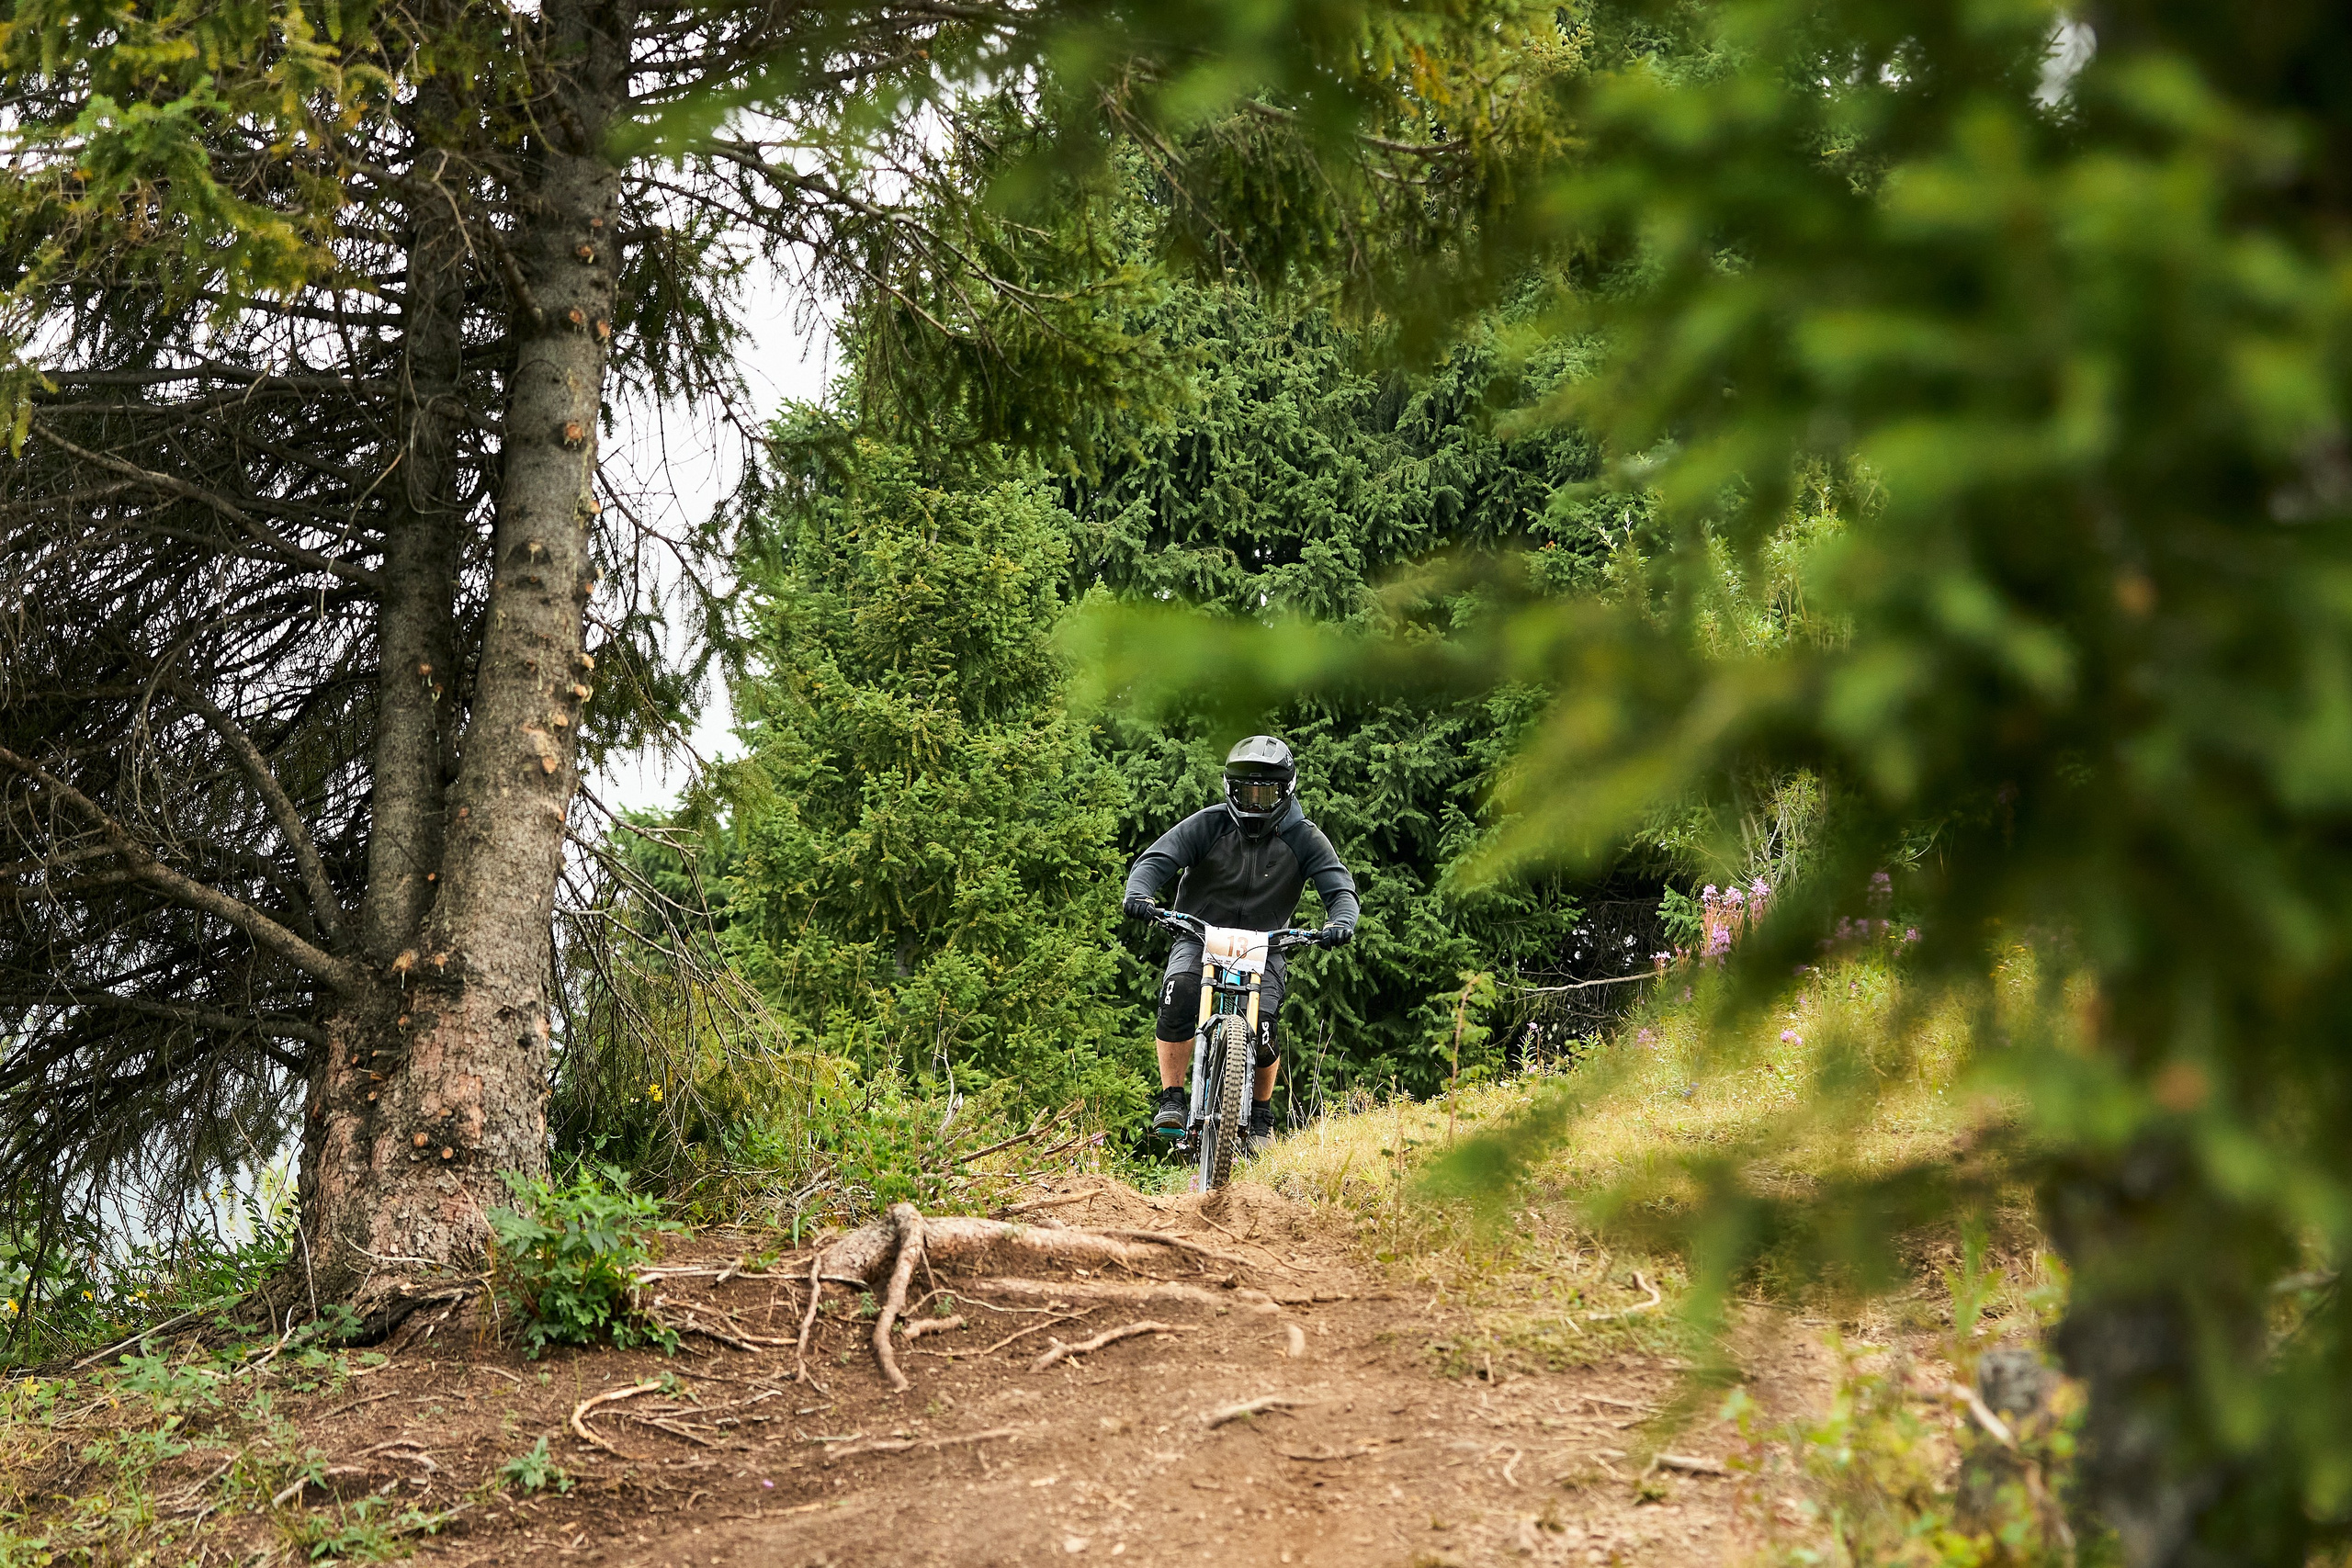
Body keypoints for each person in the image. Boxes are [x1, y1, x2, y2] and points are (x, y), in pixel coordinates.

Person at [1122, 736, 1359, 1156]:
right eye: (1246, 792)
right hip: (1199, 935)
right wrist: (1139, 894)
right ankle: (1172, 1098)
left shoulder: (1305, 838)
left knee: (1263, 1027)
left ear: (1286, 791)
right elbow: (1156, 860)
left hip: (1266, 945)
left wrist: (1340, 922)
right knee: (1178, 996)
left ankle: (1261, 1114)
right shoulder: (1208, 824)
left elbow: (1340, 889)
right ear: (1230, 789)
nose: (1254, 803)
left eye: (1265, 794)